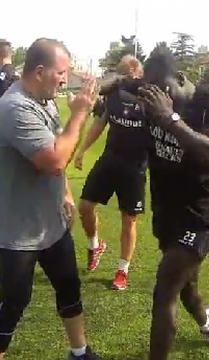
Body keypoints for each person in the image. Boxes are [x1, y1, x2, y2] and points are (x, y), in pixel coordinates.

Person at [0, 38, 99, 360]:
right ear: (39, 71)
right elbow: (54, 160)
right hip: (19, 230)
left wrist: (65, 194)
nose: (64, 80)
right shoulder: (15, 108)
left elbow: (58, 146)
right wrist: (79, 114)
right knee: (13, 304)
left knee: (69, 288)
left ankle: (80, 353)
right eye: (61, 72)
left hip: (52, 222)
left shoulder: (45, 101)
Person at [136, 50, 209, 360]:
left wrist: (169, 118)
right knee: (187, 288)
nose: (157, 98)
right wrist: (121, 82)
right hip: (166, 211)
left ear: (180, 79)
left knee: (165, 287)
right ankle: (208, 323)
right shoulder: (149, 98)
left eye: (163, 90)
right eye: (150, 91)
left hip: (202, 212)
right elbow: (112, 82)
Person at [74, 55, 147, 290]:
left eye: (126, 74)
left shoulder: (149, 95)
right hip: (110, 160)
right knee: (85, 206)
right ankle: (95, 245)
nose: (122, 79)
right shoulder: (113, 94)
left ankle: (122, 271)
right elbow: (99, 123)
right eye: (120, 74)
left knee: (129, 219)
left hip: (135, 166)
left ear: (137, 71)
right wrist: (82, 150)